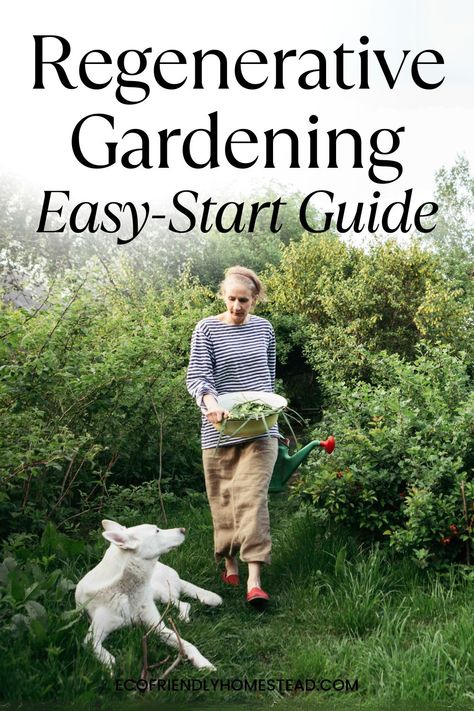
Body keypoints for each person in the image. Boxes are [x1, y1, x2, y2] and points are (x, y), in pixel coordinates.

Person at [186, 266, 279, 606]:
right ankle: (229, 561)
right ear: (222, 297)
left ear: (255, 300)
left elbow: (268, 376)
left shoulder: (265, 329)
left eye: (244, 300)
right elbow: (197, 375)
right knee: (224, 499)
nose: (237, 307)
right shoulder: (207, 328)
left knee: (253, 497)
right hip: (218, 428)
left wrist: (274, 421)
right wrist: (210, 404)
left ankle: (254, 579)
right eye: (231, 299)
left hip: (261, 427)